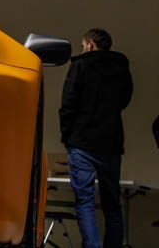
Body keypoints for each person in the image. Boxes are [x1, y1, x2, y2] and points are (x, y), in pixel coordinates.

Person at [59, 28, 133, 248]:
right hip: (111, 143)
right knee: (112, 206)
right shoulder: (121, 68)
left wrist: (67, 136)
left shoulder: (80, 65)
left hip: (82, 144)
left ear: (90, 44)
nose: (82, 50)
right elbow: (124, 100)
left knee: (85, 203)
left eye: (83, 46)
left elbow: (68, 104)